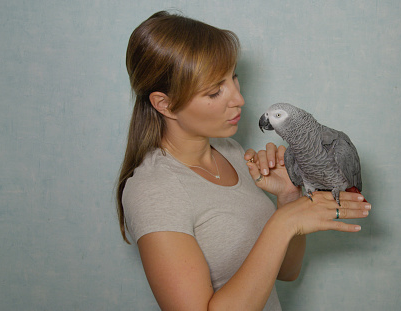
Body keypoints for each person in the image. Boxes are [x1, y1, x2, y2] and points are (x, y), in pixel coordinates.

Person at [116, 10, 371, 311]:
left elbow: (286, 272)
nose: (239, 99)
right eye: (214, 91)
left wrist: (289, 197)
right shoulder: (153, 191)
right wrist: (282, 224)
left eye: (233, 77)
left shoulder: (233, 152)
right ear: (165, 104)